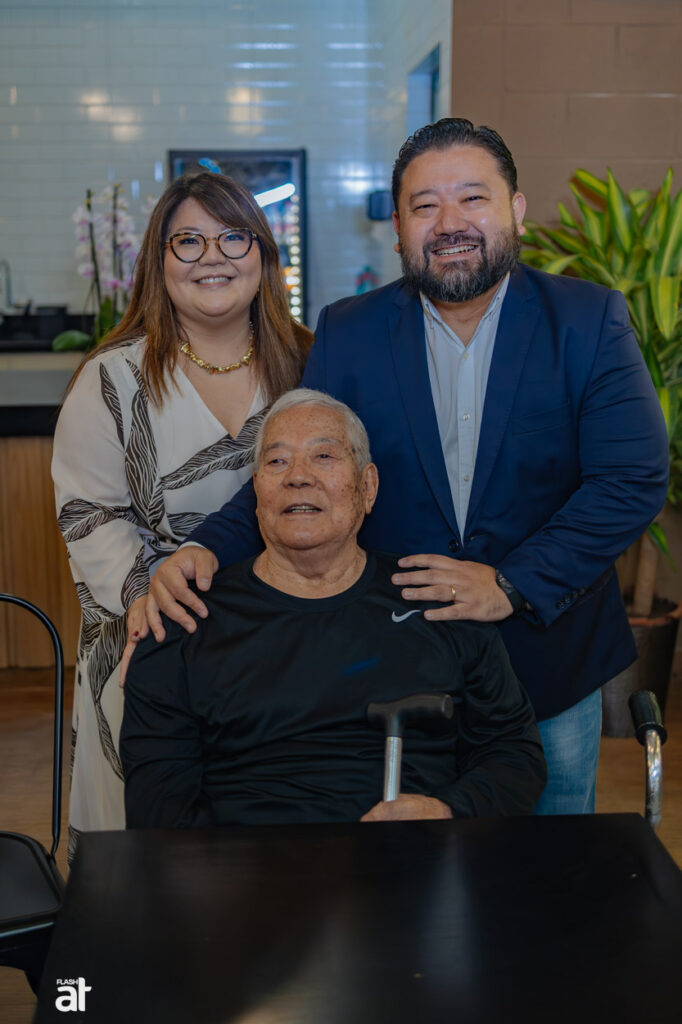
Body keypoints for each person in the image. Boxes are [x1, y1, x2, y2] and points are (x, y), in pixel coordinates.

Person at [143, 118, 669, 816]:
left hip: (549, 658)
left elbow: (631, 478)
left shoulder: (587, 319)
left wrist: (510, 583)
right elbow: (306, 468)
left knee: (546, 864)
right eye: (425, 205)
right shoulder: (348, 330)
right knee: (406, 858)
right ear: (398, 228)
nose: (450, 223)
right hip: (400, 664)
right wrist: (204, 550)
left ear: (516, 209)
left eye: (473, 198)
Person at [121, 390, 546, 827]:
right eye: (277, 461)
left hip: (410, 861)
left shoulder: (437, 601)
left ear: (368, 487)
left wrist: (448, 810)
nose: (298, 477)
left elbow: (514, 753)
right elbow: (158, 805)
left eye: (323, 456)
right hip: (245, 865)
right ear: (257, 492)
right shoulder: (185, 621)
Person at [52, 171, 312, 853]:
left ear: (263, 253)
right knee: (150, 862)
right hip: (152, 640)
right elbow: (90, 515)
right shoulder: (111, 378)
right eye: (188, 241)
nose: (212, 257)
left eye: (233, 237)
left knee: (280, 849)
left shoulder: (309, 363)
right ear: (158, 260)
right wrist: (155, 605)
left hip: (288, 640)